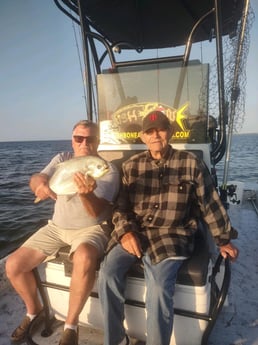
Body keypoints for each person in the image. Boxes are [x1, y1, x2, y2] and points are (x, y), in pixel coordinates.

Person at [98, 110, 239, 345]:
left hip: (172, 235)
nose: (156, 135)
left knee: (158, 287)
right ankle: (115, 340)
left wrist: (223, 239)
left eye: (161, 129)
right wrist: (125, 232)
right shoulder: (131, 167)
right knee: (107, 273)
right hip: (136, 232)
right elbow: (120, 208)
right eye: (149, 131)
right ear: (143, 137)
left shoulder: (191, 163)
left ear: (170, 132)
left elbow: (210, 203)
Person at [6, 120, 120, 345]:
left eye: (90, 139)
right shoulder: (61, 159)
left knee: (85, 256)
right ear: (73, 140)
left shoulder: (107, 169)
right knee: (13, 265)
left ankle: (70, 326)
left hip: (91, 228)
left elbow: (98, 211)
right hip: (56, 227)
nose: (84, 143)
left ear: (98, 142)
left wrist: (86, 193)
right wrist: (39, 185)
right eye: (79, 138)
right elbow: (38, 177)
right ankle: (34, 310)